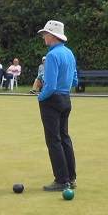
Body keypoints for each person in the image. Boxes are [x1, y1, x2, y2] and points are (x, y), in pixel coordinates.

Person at [37, 20, 78, 191]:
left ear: (52, 36)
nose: (44, 37)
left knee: (54, 141)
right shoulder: (69, 53)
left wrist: (41, 97)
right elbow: (75, 80)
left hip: (52, 100)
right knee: (64, 138)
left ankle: (61, 180)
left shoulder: (53, 55)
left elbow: (50, 85)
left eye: (45, 34)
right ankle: (71, 178)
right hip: (66, 98)